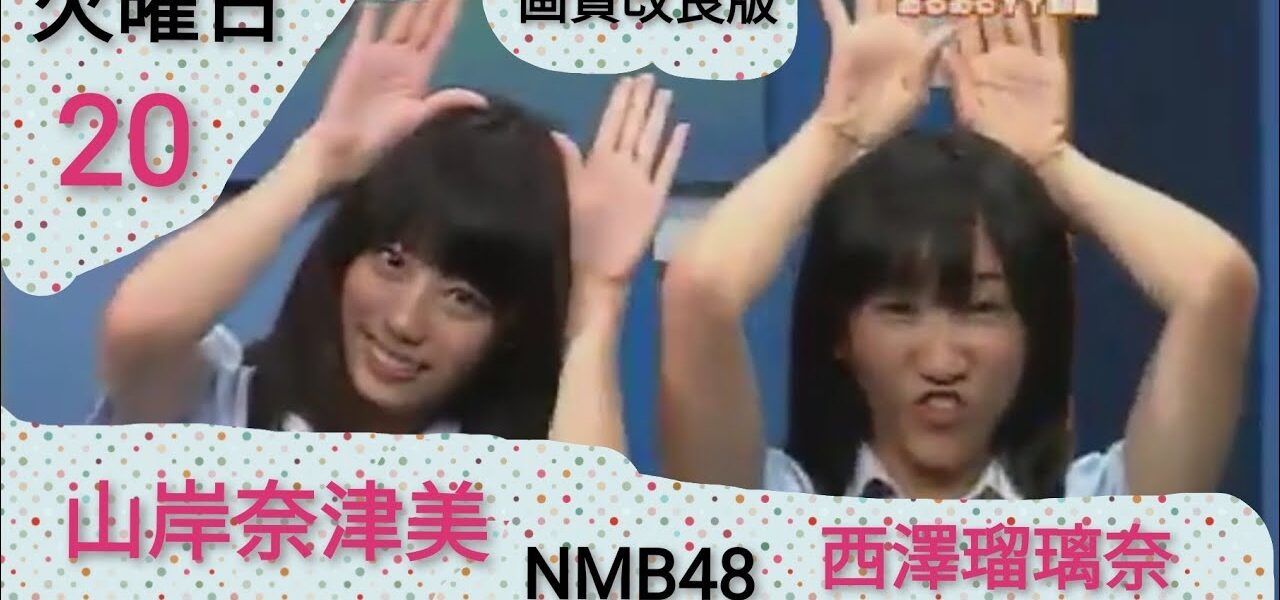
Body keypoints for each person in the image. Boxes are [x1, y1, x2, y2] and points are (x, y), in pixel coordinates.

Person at [658, 0, 1258, 498]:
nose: (942, 361)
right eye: (900, 310)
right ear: (842, 334)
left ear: (1032, 332)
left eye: (981, 309)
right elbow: (701, 289)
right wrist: (834, 135)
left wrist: (1051, 161)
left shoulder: (1096, 521)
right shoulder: (777, 515)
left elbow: (1214, 284)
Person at [94, 0, 689, 453]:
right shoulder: (224, 407)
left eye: (463, 298)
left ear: (509, 326)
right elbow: (140, 328)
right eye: (393, 261)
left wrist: (597, 300)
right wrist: (320, 159)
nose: (405, 322)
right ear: (344, 258)